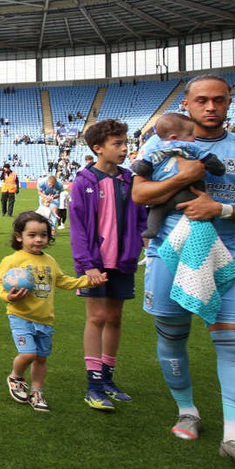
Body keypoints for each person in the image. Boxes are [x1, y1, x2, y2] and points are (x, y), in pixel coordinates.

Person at [132, 74, 235, 469]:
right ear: (188, 103)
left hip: (228, 255)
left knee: (234, 345)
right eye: (202, 100)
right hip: (167, 253)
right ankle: (187, 410)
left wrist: (221, 209)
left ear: (230, 104)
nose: (211, 107)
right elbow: (138, 194)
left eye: (219, 100)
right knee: (172, 336)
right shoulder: (157, 145)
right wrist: (182, 177)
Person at [68, 119, 147, 411]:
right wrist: (86, 265)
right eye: (118, 144)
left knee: (115, 318)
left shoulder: (130, 180)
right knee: (97, 317)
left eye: (126, 143)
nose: (125, 149)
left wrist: (140, 246)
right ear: (98, 148)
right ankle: (93, 385)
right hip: (94, 264)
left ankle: (109, 379)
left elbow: (141, 220)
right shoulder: (84, 181)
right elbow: (77, 228)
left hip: (123, 261)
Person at [0, 211, 102, 412]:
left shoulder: (50, 261)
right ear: (19, 236)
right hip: (20, 315)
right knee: (28, 354)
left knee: (41, 358)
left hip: (45, 319)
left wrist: (88, 281)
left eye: (43, 235)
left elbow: (62, 280)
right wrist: (7, 296)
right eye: (32, 235)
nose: (39, 239)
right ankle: (16, 377)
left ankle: (37, 392)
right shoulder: (13, 260)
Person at [131, 113, 226, 240]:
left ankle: (153, 230)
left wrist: (137, 167)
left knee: (160, 210)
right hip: (184, 193)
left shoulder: (158, 148)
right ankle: (153, 230)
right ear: (175, 137)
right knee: (160, 209)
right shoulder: (184, 146)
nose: (194, 137)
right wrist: (185, 177)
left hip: (177, 195)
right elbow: (209, 159)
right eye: (190, 134)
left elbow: (144, 166)